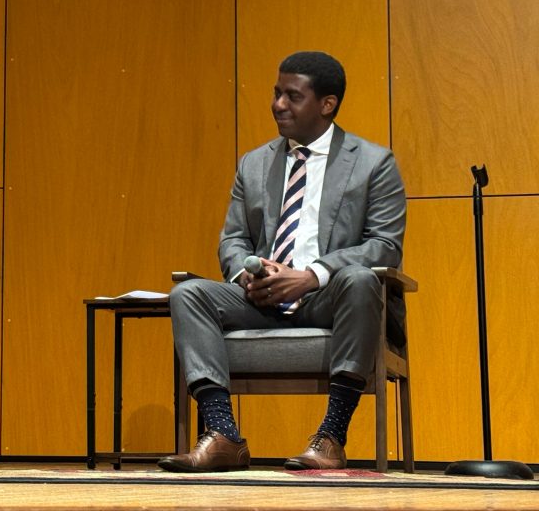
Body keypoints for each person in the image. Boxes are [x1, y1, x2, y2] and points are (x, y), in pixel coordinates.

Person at [158, 51, 406, 472]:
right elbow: (233, 239)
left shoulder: (372, 163)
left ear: (327, 104)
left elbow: (384, 244)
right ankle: (223, 436)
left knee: (362, 280)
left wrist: (311, 276)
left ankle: (331, 436)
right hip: (259, 299)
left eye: (293, 96)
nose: (278, 104)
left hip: (329, 297)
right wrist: (249, 272)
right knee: (189, 294)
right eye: (277, 93)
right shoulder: (254, 164)